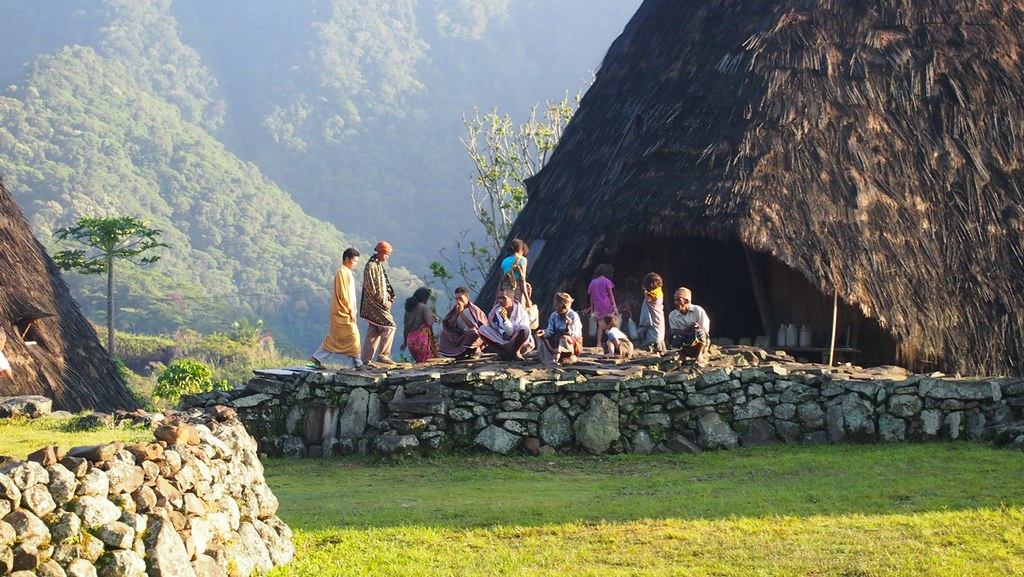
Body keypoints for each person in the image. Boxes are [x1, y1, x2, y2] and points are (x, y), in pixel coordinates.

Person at [308, 248, 363, 369]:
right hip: (342, 311)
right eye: (354, 261)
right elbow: (344, 295)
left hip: (344, 310)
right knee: (353, 336)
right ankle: (357, 363)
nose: (355, 264)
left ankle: (317, 358)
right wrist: (350, 310)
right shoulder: (342, 272)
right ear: (347, 259)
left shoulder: (347, 272)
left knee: (335, 338)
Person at [359, 241, 397, 366]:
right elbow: (373, 289)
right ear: (380, 252)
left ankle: (365, 361)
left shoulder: (377, 265)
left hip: (375, 304)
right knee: (390, 326)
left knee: (374, 330)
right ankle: (383, 355)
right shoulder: (371, 266)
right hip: (373, 304)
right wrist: (384, 301)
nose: (387, 257)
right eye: (386, 254)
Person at [479, 290, 534, 361]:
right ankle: (502, 352)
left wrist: (505, 319)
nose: (500, 301)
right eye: (499, 298)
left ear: (511, 299)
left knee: (524, 329)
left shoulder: (521, 313)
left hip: (517, 343)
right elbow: (492, 327)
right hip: (502, 340)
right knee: (482, 329)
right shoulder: (495, 311)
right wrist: (502, 333)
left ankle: (516, 352)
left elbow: (511, 332)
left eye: (504, 298)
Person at [439, 286, 488, 359]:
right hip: (459, 335)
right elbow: (449, 326)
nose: (458, 301)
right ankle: (458, 353)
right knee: (444, 333)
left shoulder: (474, 310)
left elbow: (474, 327)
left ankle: (475, 349)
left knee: (472, 332)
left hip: (471, 336)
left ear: (467, 298)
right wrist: (457, 313)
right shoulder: (455, 310)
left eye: (461, 299)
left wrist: (461, 313)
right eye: (456, 299)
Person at [535, 292, 583, 365]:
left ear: (563, 306)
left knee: (564, 339)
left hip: (572, 343)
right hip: (557, 342)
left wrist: (568, 327)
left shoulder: (573, 316)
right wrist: (544, 333)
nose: (555, 306)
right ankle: (546, 358)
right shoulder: (554, 315)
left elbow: (574, 335)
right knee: (542, 338)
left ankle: (569, 356)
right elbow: (550, 331)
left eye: (557, 305)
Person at [668, 287, 711, 366]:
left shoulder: (698, 310)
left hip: (698, 343)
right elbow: (676, 331)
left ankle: (699, 355)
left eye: (678, 300)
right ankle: (682, 355)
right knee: (672, 334)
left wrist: (696, 328)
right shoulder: (672, 315)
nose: (675, 302)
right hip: (684, 343)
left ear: (686, 301)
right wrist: (689, 328)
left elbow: (705, 330)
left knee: (700, 333)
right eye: (675, 300)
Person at [400, 287, 438, 363]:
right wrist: (432, 317)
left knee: (420, 363)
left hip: (411, 341)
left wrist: (405, 343)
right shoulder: (424, 307)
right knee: (428, 363)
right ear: (425, 298)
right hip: (421, 341)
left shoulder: (409, 309)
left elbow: (406, 328)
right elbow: (428, 323)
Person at [585, 264, 617, 349]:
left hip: (597, 306)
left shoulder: (593, 282)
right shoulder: (607, 281)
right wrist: (614, 306)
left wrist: (592, 307)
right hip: (607, 304)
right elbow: (610, 294)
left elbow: (591, 296)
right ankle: (614, 342)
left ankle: (598, 343)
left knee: (600, 325)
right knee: (611, 323)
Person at [636, 272, 665, 353]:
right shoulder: (658, 290)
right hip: (655, 316)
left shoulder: (656, 292)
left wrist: (645, 291)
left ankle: (657, 350)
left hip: (654, 316)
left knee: (654, 332)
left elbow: (648, 299)